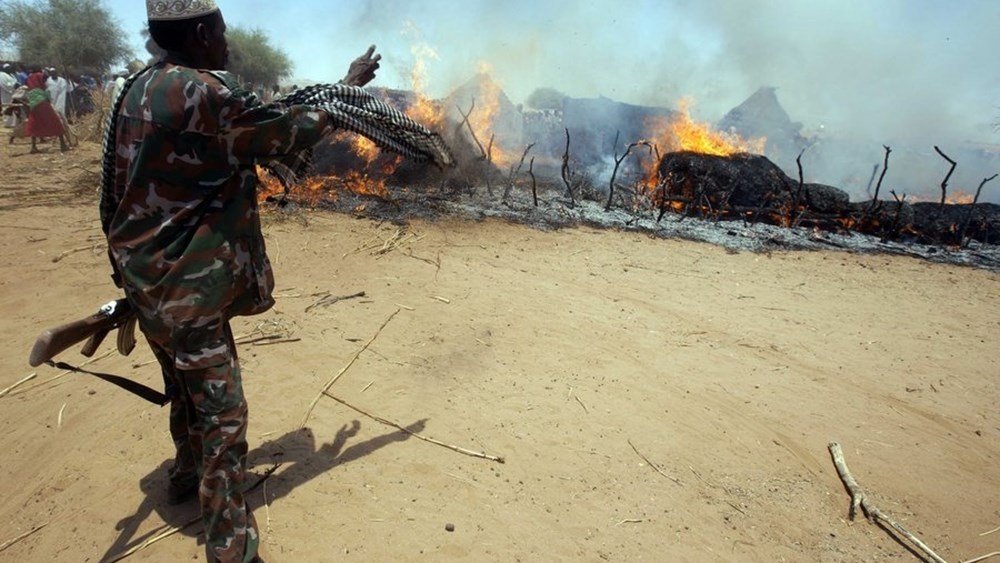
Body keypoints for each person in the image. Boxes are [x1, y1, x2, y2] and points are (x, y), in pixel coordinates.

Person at [99, 1, 386, 561]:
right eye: (223, 34)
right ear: (202, 33)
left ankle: (184, 474)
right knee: (223, 419)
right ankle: (232, 545)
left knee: (184, 387)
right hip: (188, 285)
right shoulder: (206, 91)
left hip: (146, 275)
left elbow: (117, 183)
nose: (228, 44)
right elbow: (285, 130)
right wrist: (347, 88)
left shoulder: (137, 87)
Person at [24, 68, 68, 153]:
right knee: (55, 122)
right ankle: (63, 144)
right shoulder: (39, 75)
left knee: (34, 123)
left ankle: (33, 147)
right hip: (42, 102)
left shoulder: (29, 79)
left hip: (33, 103)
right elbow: (46, 80)